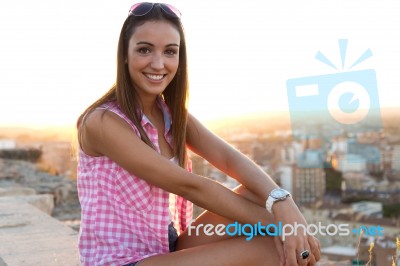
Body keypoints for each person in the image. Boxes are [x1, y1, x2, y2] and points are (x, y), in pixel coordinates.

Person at [76, 2, 321, 265]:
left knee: (259, 196)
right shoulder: (102, 122)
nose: (158, 63)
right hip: (121, 260)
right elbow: (190, 186)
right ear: (124, 54)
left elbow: (228, 159)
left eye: (170, 51)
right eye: (145, 49)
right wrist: (284, 226)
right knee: (273, 249)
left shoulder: (170, 113)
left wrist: (284, 204)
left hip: (163, 247)